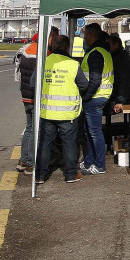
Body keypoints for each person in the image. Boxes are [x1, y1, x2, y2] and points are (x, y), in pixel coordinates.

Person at [35, 35, 88, 184]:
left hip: (47, 112)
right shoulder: (73, 64)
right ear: (66, 47)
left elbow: (34, 84)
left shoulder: (44, 62)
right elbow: (84, 85)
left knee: (45, 144)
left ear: (53, 46)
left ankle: (40, 175)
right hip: (67, 112)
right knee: (69, 144)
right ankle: (71, 174)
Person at [14, 26, 59, 174]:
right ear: (49, 37)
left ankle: (24, 159)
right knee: (36, 129)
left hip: (25, 95)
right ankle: (32, 163)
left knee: (29, 128)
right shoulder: (44, 54)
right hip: (36, 97)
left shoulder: (27, 50)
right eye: (54, 38)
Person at [78, 23, 114, 175]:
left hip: (95, 97)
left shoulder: (96, 53)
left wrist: (86, 97)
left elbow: (95, 79)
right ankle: (89, 162)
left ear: (91, 35)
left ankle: (99, 165)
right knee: (90, 132)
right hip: (98, 96)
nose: (84, 38)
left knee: (94, 132)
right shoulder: (100, 51)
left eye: (85, 35)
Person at [106, 34, 130, 114]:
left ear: (116, 45)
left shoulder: (120, 59)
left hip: (119, 99)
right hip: (119, 97)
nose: (106, 47)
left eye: (108, 44)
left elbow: (123, 80)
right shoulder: (120, 56)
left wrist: (120, 100)